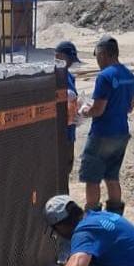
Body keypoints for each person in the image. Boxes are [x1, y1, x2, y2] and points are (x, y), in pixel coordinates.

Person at [78, 35, 134, 215]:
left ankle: (93, 216)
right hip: (121, 133)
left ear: (103, 54)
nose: (97, 60)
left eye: (97, 56)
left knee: (92, 178)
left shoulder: (104, 77)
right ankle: (115, 216)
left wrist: (83, 111)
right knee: (112, 177)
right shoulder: (130, 76)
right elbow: (130, 107)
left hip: (102, 134)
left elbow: (98, 110)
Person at [55, 40, 81, 176]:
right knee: (60, 170)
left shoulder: (68, 75)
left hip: (69, 130)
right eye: (69, 59)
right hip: (59, 132)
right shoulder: (53, 77)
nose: (70, 63)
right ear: (59, 56)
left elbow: (73, 99)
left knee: (67, 166)